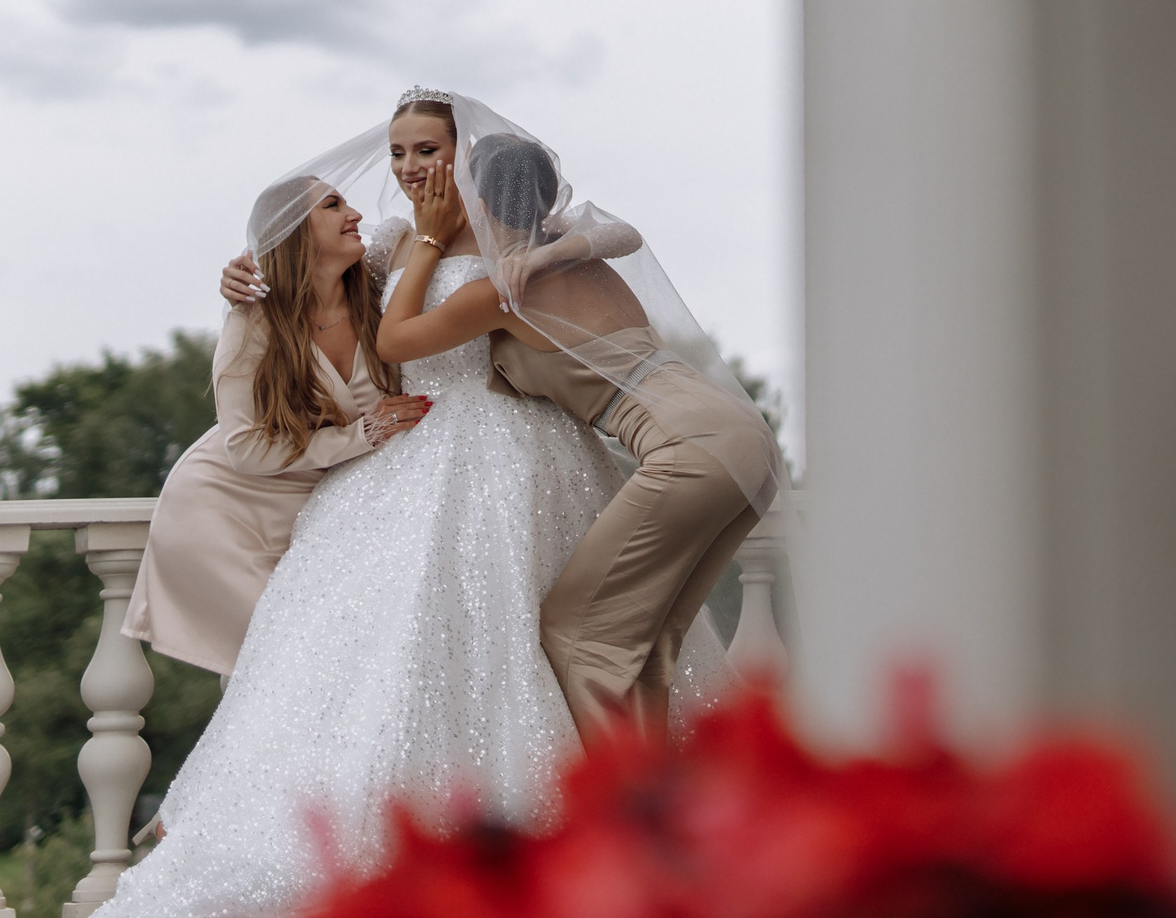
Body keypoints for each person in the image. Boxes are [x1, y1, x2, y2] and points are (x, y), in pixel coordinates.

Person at [101, 88, 716, 918]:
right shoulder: (391, 241)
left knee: (535, 631)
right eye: (397, 153)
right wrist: (240, 267)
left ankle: (575, 844)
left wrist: (530, 259)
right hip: (407, 446)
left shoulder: (510, 225)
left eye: (426, 149)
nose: (407, 168)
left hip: (522, 441)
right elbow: (312, 308)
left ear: (466, 153)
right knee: (381, 646)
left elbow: (615, 233)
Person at [376, 127, 780, 735]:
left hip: (688, 448)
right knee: (645, 645)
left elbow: (392, 342)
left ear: (479, 205)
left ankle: (619, 812)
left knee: (575, 634)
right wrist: (549, 249)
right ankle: (657, 802)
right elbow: (624, 234)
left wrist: (431, 240)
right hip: (745, 437)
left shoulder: (503, 290)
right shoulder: (578, 254)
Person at [122, 176, 430, 677]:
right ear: (296, 234)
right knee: (285, 662)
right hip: (225, 509)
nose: (354, 213)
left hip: (317, 503)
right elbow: (244, 448)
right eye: (333, 205)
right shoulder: (254, 318)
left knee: (338, 656)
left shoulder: (376, 295)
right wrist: (364, 434)